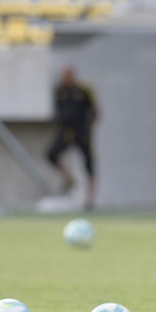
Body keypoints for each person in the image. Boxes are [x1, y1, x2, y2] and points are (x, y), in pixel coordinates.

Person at [46, 66, 99, 210]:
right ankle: (69, 178)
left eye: (67, 75)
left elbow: (95, 110)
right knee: (51, 154)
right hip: (66, 132)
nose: (64, 78)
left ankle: (89, 200)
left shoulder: (84, 90)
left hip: (82, 131)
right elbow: (58, 111)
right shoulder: (59, 91)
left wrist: (87, 126)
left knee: (89, 164)